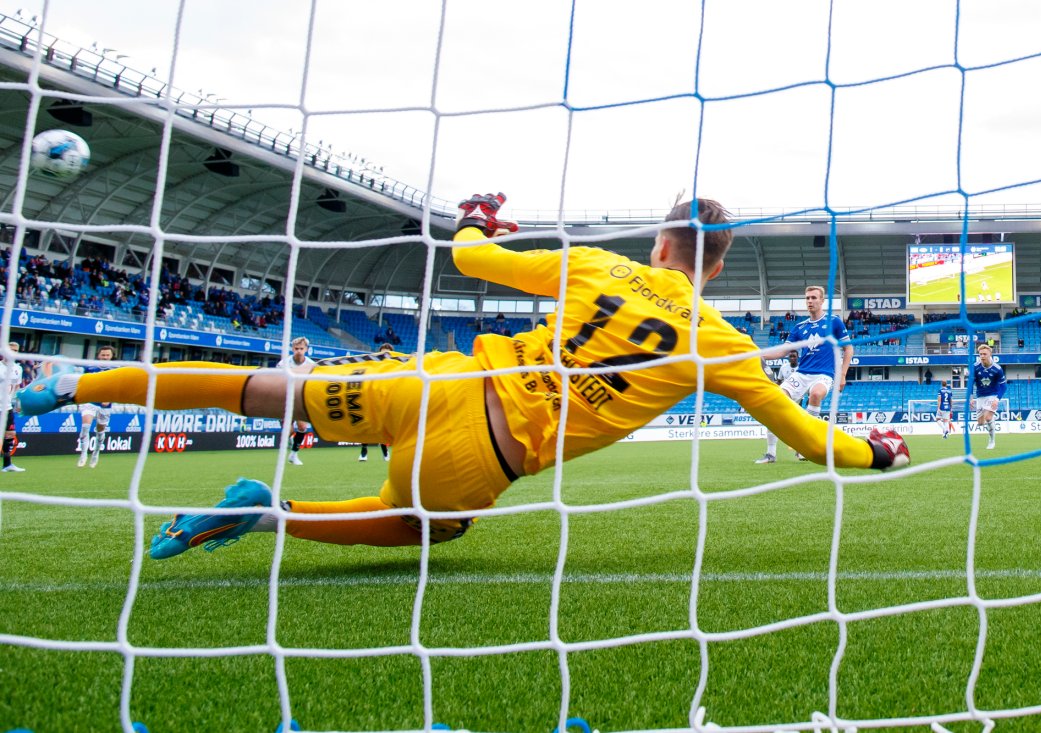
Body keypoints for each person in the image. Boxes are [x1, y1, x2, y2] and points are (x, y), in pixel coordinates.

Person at [16, 193, 910, 560]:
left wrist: (481, 216)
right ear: (712, 266)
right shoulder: (719, 341)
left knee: (252, 389)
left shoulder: (597, 265)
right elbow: (805, 436)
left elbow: (471, 258)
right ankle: (267, 511)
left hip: (438, 378)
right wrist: (876, 454)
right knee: (427, 529)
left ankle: (67, 387)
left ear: (661, 243)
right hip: (479, 454)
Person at [755, 285, 853, 464]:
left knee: (815, 394)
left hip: (824, 374)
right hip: (801, 374)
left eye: (814, 298)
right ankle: (770, 454)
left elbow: (849, 348)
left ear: (822, 301)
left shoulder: (834, 321)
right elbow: (782, 352)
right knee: (774, 402)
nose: (810, 301)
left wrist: (844, 374)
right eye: (807, 298)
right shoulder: (800, 327)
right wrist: (758, 354)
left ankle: (804, 448)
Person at [77, 345, 117, 468]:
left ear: (111, 356)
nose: (105, 357)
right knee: (85, 426)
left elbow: (118, 387)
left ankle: (96, 452)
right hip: (90, 401)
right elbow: (83, 383)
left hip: (105, 404)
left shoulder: (116, 369)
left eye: (107, 355)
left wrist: (109, 398)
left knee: (100, 431)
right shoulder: (90, 367)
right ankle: (83, 454)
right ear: (98, 355)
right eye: (103, 355)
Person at [278, 337, 315, 465]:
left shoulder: (311, 365)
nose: (299, 351)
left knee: (302, 426)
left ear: (307, 350)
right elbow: (277, 380)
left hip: (300, 398)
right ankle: (289, 442)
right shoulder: (284, 364)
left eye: (301, 349)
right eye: (296, 348)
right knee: (289, 431)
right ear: (292, 349)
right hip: (286, 399)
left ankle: (294, 455)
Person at [359, 343, 395, 463]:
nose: (384, 355)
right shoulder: (373, 366)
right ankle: (363, 452)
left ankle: (385, 452)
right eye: (382, 352)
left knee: (382, 426)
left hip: (385, 399)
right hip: (371, 398)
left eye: (387, 353)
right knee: (366, 424)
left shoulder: (395, 367)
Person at [969, 343, 1007, 450]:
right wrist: (971, 397)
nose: (982, 356)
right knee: (980, 423)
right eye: (980, 354)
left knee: (988, 417)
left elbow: (1004, 386)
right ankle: (991, 420)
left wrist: (997, 399)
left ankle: (992, 441)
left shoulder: (997, 369)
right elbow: (970, 382)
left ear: (990, 354)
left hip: (992, 395)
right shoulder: (975, 367)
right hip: (980, 396)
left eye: (984, 354)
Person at [0, 342, 24, 472]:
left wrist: (17, 403)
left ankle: (7, 464)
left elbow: (16, 388)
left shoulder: (17, 369)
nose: (13, 352)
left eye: (16, 350)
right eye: (11, 350)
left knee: (10, 434)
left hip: (7, 407)